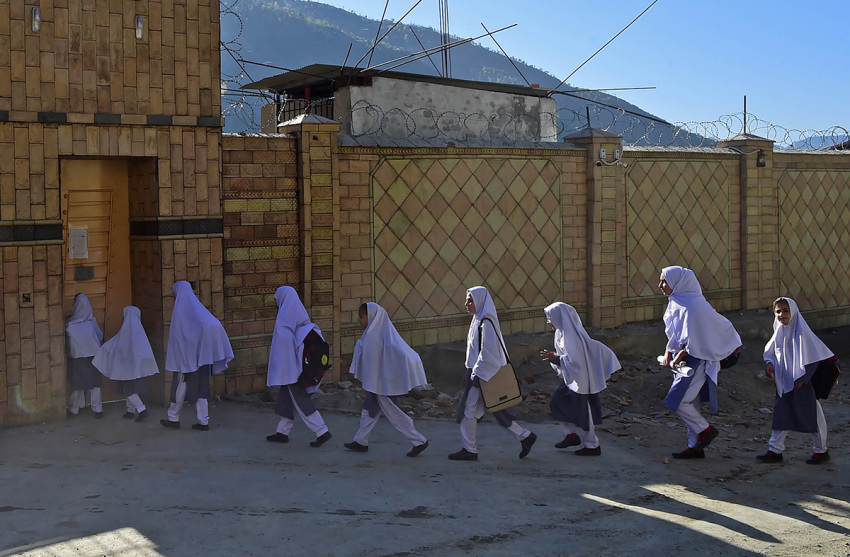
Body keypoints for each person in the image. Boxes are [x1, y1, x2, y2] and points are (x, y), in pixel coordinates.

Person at [658, 266, 741, 460]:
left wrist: (678, 357)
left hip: (699, 359)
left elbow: (697, 338)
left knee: (679, 401)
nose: (660, 285)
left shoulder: (694, 306)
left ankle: (706, 431)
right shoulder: (677, 302)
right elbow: (676, 335)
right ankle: (695, 446)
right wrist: (669, 353)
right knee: (691, 403)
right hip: (686, 361)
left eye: (664, 281)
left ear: (678, 282)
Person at [449, 286, 536, 461]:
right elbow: (474, 351)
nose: (467, 304)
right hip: (479, 374)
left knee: (472, 410)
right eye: (467, 300)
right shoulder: (478, 320)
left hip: (483, 375)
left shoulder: (486, 322)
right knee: (490, 410)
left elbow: (488, 353)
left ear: (480, 301)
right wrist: (470, 371)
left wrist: (477, 375)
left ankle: (470, 449)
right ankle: (524, 436)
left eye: (470, 300)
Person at [344, 302, 429, 457]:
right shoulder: (376, 336)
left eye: (361, 317)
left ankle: (418, 440)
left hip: (383, 386)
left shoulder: (375, 338)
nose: (359, 320)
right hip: (378, 384)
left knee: (394, 414)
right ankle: (360, 440)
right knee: (369, 409)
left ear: (372, 318)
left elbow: (399, 356)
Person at [757, 297, 834, 465]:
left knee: (814, 416)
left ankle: (821, 450)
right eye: (778, 311)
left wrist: (804, 378)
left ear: (793, 312)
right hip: (784, 382)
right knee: (781, 415)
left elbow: (814, 359)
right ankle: (775, 450)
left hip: (801, 384)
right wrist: (769, 364)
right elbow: (771, 352)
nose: (782, 315)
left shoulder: (802, 332)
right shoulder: (779, 331)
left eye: (786, 311)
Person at [540, 302, 621, 456]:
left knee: (583, 412)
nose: (548, 322)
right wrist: (557, 358)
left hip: (579, 381)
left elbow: (575, 361)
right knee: (558, 404)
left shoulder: (572, 337)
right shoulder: (561, 334)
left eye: (550, 318)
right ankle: (571, 435)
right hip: (571, 378)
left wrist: (556, 359)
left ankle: (592, 445)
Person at [160, 281, 234, 431]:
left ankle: (173, 418)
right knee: (202, 387)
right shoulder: (199, 310)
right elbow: (213, 325)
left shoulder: (180, 311)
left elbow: (179, 338)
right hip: (202, 358)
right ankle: (203, 421)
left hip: (185, 359)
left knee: (179, 386)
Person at [265, 286, 332, 447]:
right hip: (298, 370)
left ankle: (321, 431)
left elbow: (283, 355)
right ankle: (282, 432)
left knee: (299, 399)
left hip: (292, 372)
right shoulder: (305, 325)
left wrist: (286, 374)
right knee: (286, 398)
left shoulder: (283, 326)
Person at [92, 306, 159, 422]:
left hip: (124, 368)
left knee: (128, 389)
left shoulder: (124, 333)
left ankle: (142, 409)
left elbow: (111, 346)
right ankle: (130, 411)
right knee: (133, 388)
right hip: (137, 368)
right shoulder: (140, 333)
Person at [65, 293, 104, 418]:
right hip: (94, 357)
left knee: (77, 384)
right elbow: (100, 337)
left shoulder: (69, 325)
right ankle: (98, 410)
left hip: (77, 358)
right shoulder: (91, 323)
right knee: (95, 384)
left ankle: (74, 408)